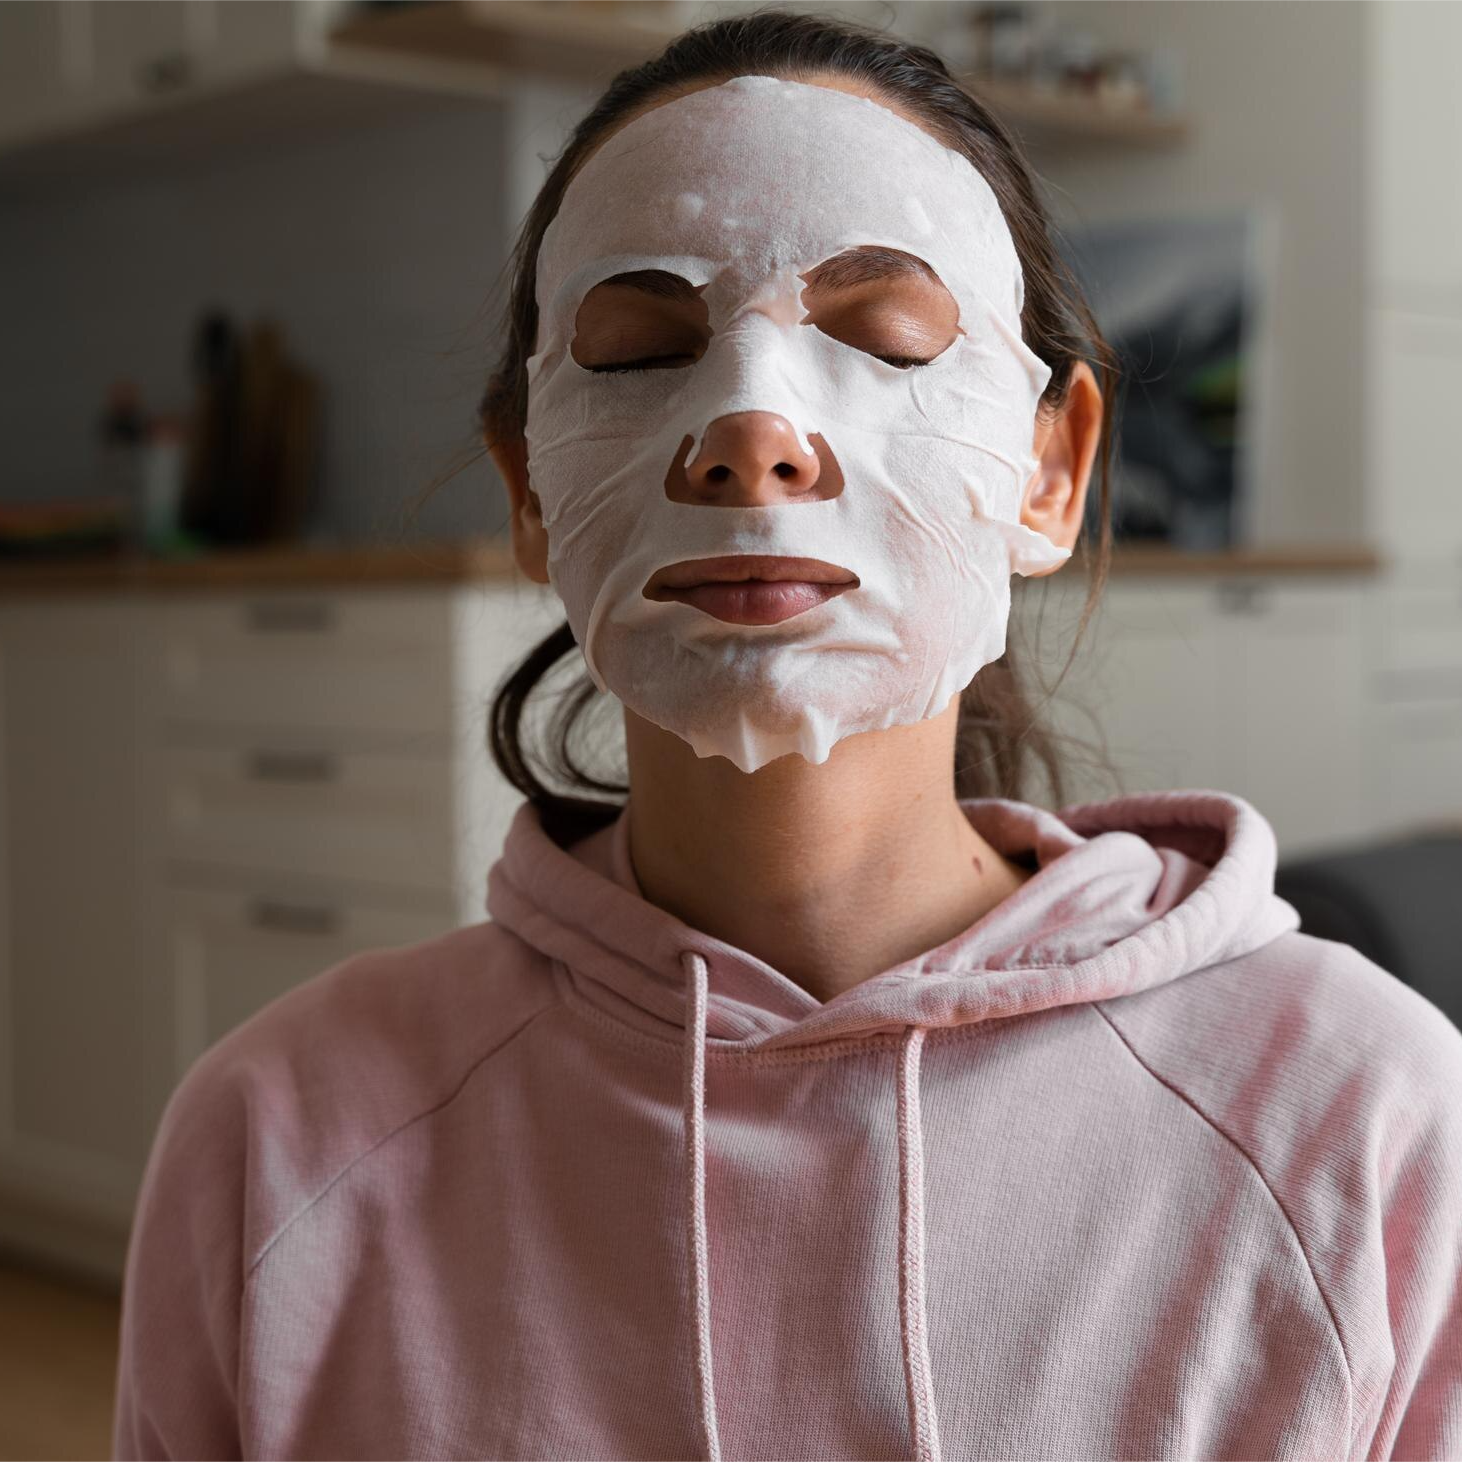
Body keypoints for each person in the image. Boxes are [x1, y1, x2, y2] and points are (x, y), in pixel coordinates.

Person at [113, 12, 1462, 1461]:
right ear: (527, 485)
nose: (751, 430)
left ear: (1048, 469)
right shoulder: (280, 1132)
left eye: (881, 338)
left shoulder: (1364, 1113)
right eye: (640, 349)